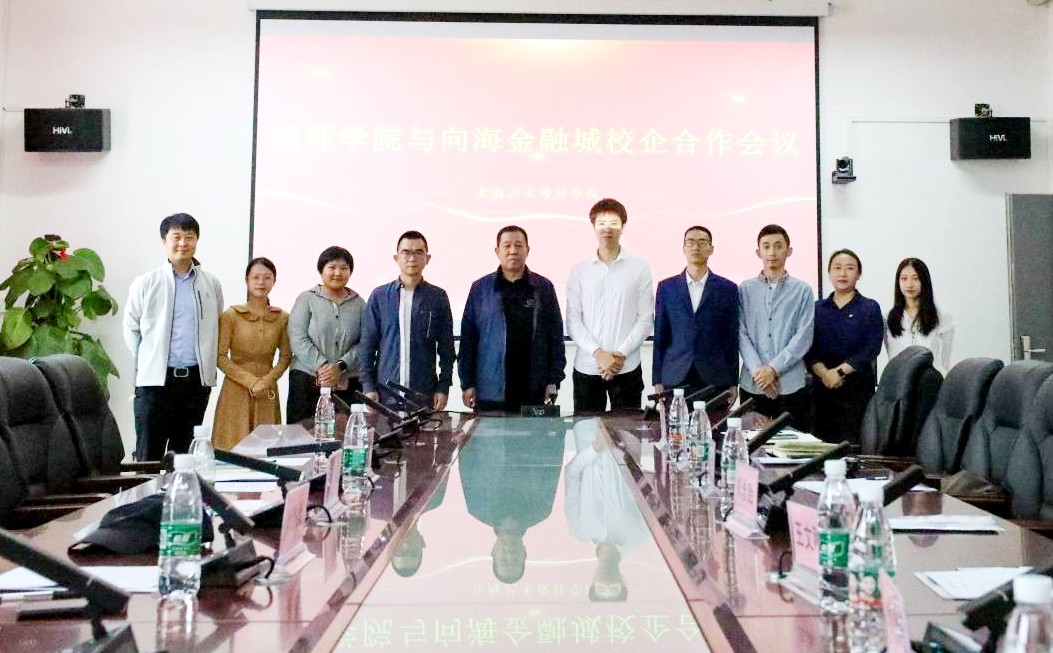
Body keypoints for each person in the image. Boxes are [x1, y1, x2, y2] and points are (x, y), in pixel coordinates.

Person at [123, 213, 224, 460]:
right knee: (149, 456)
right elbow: (131, 329)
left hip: (194, 384)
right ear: (164, 241)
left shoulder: (210, 284)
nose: (183, 243)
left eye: (189, 237)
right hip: (155, 384)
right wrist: (150, 359)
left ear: (196, 241)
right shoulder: (146, 283)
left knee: (185, 457)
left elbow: (217, 323)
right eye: (176, 237)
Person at [459, 225, 566, 412]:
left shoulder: (543, 288)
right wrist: (467, 383)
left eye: (518, 245)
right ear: (497, 251)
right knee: (488, 432)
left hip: (534, 389)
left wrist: (553, 380)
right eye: (507, 246)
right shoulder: (480, 289)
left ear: (527, 250)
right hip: (490, 389)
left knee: (534, 433)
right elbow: (468, 340)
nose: (513, 251)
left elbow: (555, 337)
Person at [566, 198, 653, 413]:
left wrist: (619, 355)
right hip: (587, 367)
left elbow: (645, 319)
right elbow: (573, 320)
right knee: (585, 431)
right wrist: (598, 353)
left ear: (623, 226)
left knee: (626, 433)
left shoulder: (639, 268)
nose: (608, 229)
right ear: (593, 226)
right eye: (602, 223)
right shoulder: (580, 270)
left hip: (627, 367)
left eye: (614, 223)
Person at [359, 231, 455, 411]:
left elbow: (447, 349)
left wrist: (443, 387)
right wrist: (368, 387)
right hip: (384, 396)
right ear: (396, 258)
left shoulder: (438, 297)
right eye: (406, 252)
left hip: (424, 395)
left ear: (427, 258)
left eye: (419, 252)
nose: (412, 258)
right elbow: (367, 347)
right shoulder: (379, 297)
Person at [738, 224, 815, 430]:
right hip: (753, 384)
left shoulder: (803, 291)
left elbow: (804, 336)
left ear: (789, 251)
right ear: (758, 252)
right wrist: (759, 371)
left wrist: (773, 369)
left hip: (790, 385)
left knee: (791, 444)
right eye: (766, 246)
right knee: (752, 444)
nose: (772, 252)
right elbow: (740, 333)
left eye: (778, 246)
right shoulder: (744, 290)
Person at [211, 257, 292, 450]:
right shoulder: (231, 315)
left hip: (267, 389)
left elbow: (286, 356)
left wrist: (267, 380)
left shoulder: (282, 317)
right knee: (232, 445)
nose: (261, 282)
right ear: (247, 280)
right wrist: (250, 381)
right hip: (235, 389)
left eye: (267, 277)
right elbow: (220, 357)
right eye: (255, 277)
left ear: (274, 281)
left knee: (265, 447)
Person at [652, 225, 739, 401]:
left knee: (714, 420)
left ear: (711, 249)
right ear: (683, 248)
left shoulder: (727, 289)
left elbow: (731, 339)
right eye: (690, 242)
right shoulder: (667, 288)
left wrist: (733, 382)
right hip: (674, 376)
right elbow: (660, 336)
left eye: (701, 242)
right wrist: (657, 378)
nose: (695, 247)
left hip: (715, 378)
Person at [805, 249, 884, 443]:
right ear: (829, 272)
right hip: (821, 390)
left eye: (849, 268)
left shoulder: (869, 307)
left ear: (858, 274)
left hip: (856, 391)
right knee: (821, 447)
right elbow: (807, 348)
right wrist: (825, 374)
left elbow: (871, 347)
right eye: (837, 268)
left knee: (854, 447)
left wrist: (839, 372)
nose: (843, 273)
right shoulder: (816, 308)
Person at [287, 246, 365, 424]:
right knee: (302, 433)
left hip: (347, 382)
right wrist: (324, 368)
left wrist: (341, 366)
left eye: (344, 268)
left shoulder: (360, 304)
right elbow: (297, 336)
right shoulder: (306, 299)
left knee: (344, 433)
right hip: (307, 380)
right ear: (321, 270)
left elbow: (365, 342)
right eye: (332, 267)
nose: (338, 273)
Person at [884, 257, 954, 375]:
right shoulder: (888, 319)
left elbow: (945, 361)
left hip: (930, 380)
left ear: (924, 281)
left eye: (915, 278)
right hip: (898, 381)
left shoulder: (941, 317)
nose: (909, 284)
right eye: (904, 279)